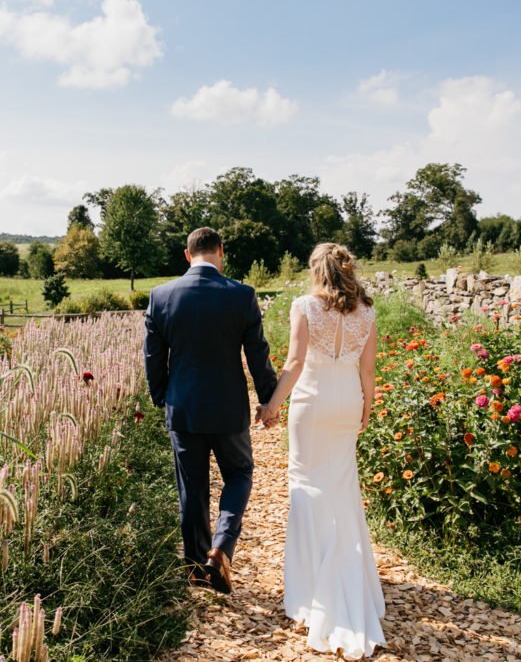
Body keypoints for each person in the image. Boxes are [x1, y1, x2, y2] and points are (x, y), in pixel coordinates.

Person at [257, 242, 386, 660]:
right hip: (347, 399)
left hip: (311, 402)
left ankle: (312, 585)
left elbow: (294, 362)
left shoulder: (305, 306)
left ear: (317, 270)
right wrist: (367, 405)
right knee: (341, 487)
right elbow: (368, 370)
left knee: (306, 487)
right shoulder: (366, 311)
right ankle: (348, 580)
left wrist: (272, 405)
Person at [144, 227, 278, 593]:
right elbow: (257, 355)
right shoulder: (241, 295)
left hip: (183, 407)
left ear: (187, 255)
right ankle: (221, 550)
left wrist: (162, 397)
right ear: (221, 251)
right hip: (228, 408)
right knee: (239, 474)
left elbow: (153, 358)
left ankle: (195, 570)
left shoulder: (161, 296)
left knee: (192, 489)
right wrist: (268, 399)